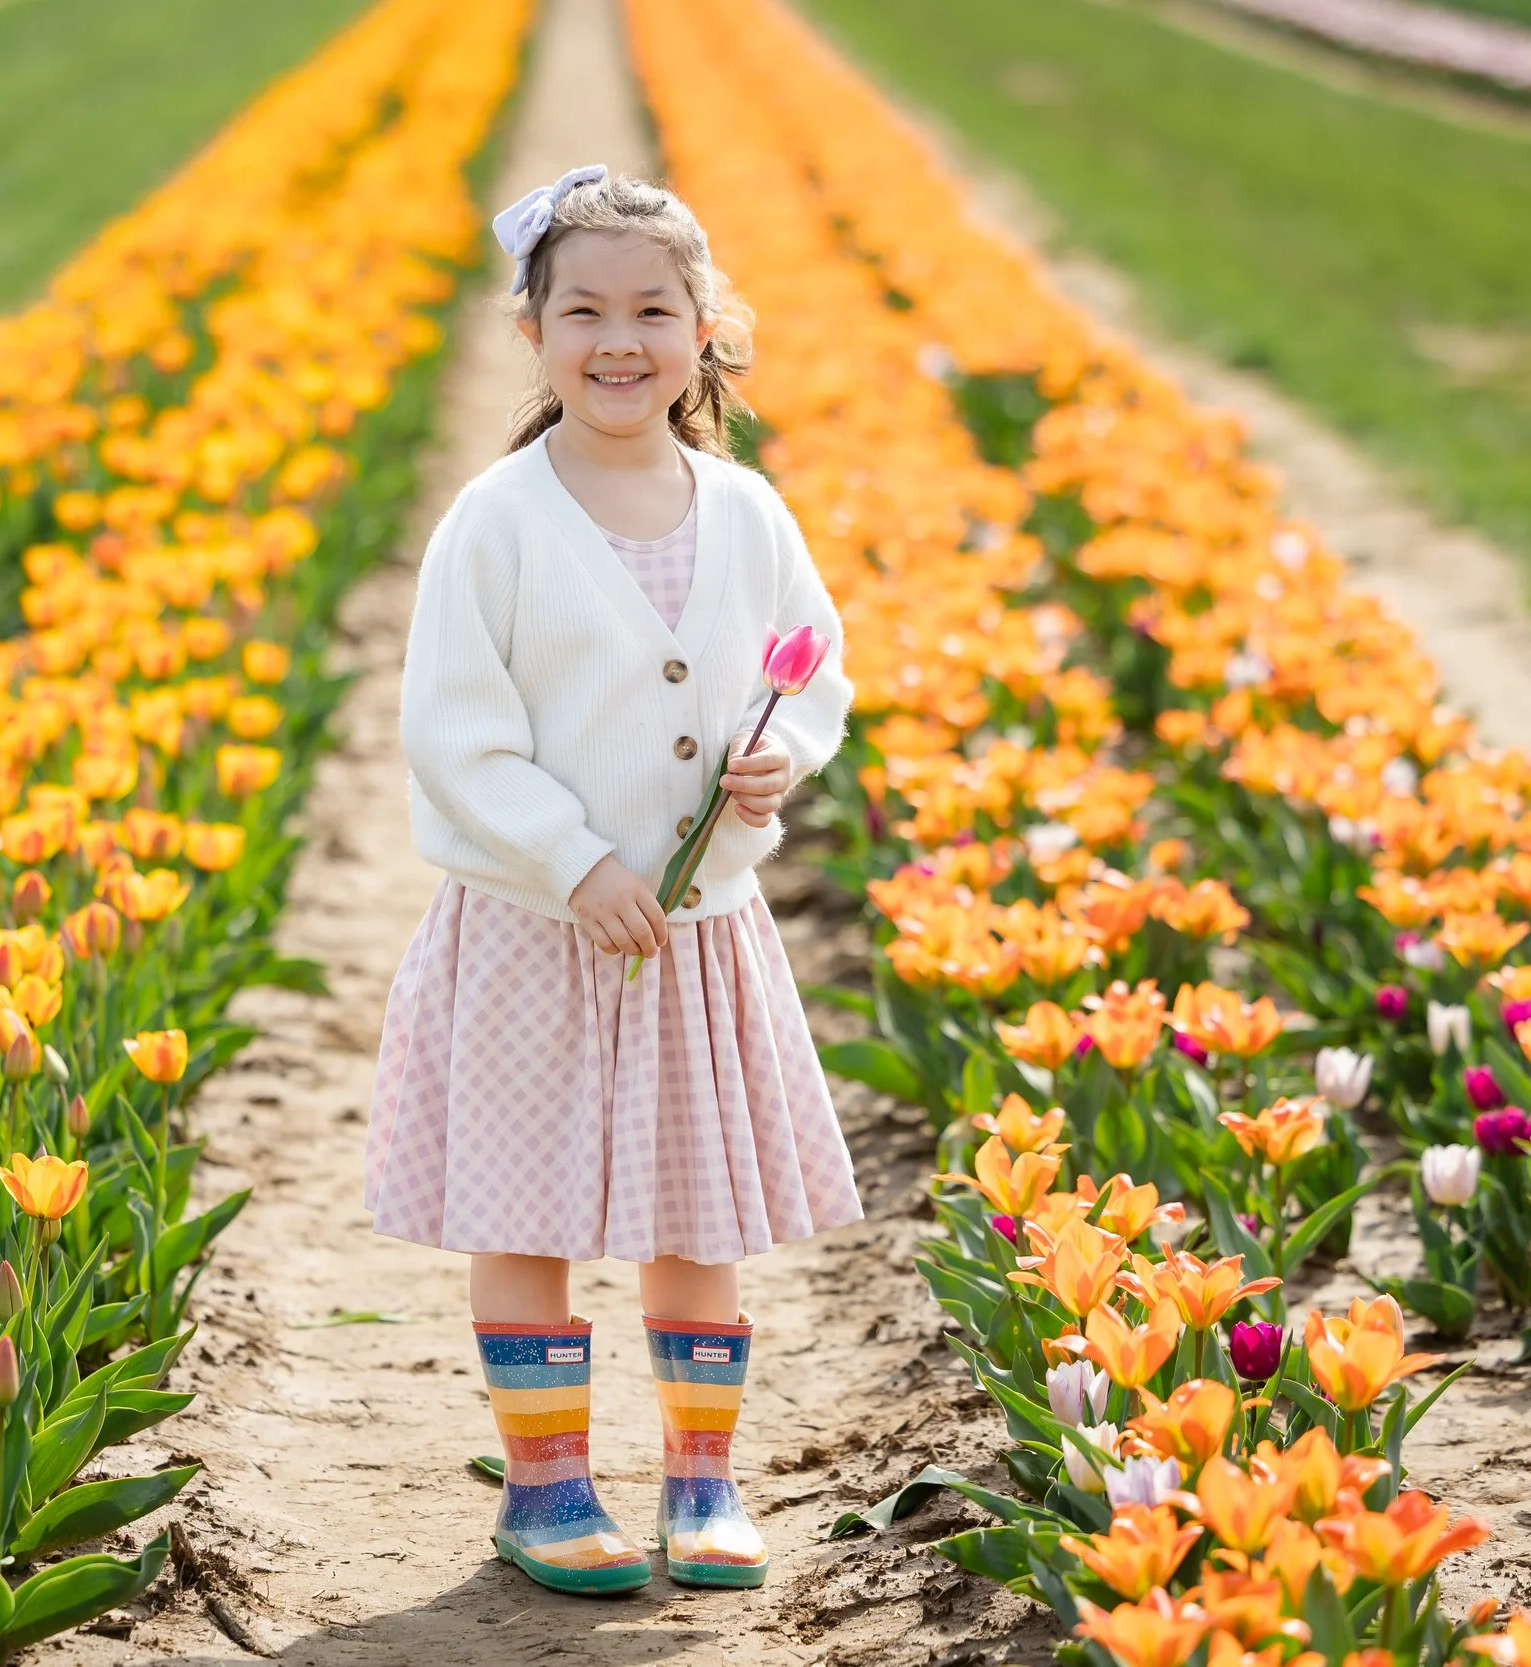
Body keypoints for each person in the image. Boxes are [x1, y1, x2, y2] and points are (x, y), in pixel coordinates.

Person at [363, 166, 861, 1596]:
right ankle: (547, 1486)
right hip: (537, 926)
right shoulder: (500, 521)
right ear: (534, 330)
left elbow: (808, 667)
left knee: (695, 1218)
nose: (619, 339)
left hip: (696, 932)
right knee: (526, 1215)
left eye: (654, 308)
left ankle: (702, 1481)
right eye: (583, 309)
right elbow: (456, 732)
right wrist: (572, 859)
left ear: (706, 330)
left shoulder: (747, 511)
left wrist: (782, 760)